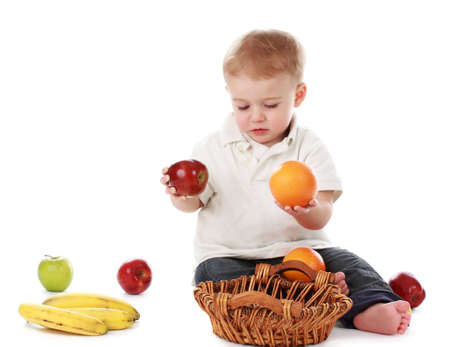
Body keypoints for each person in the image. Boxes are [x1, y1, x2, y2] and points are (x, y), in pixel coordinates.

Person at [160, 29, 411, 335]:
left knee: (349, 264)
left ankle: (366, 307)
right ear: (230, 95)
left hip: (304, 253)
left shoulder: (309, 146)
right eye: (243, 106)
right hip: (233, 258)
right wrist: (181, 193)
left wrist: (307, 211)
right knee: (213, 274)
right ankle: (307, 299)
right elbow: (191, 204)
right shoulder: (211, 148)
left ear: (298, 95)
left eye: (270, 105)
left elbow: (324, 209)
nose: (256, 117)